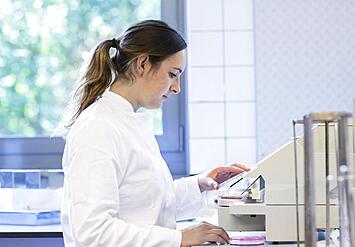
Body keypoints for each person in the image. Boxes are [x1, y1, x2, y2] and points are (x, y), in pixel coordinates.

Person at [61, 19, 249, 247]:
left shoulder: (129, 121)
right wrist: (180, 238)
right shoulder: (98, 128)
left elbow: (146, 204)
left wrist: (199, 183)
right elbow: (93, 232)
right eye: (172, 74)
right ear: (142, 64)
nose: (177, 87)